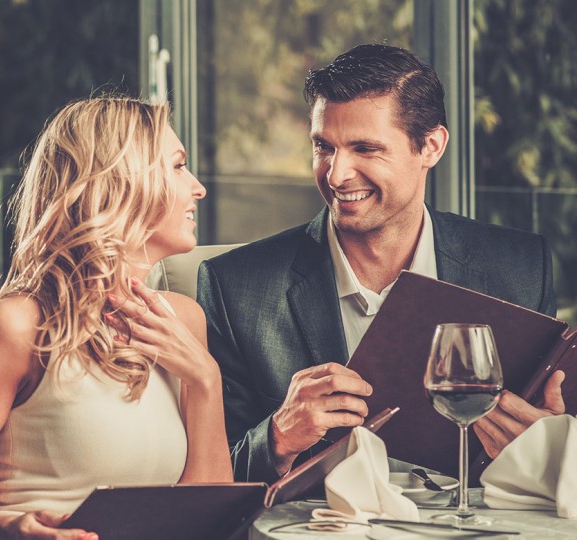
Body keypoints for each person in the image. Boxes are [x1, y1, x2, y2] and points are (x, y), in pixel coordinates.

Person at [197, 43, 565, 483]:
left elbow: (547, 447)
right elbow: (210, 484)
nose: (335, 175)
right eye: (323, 147)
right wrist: (277, 437)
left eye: (365, 149)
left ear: (430, 146)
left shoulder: (523, 267)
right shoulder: (234, 286)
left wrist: (551, 444)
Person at [0, 97, 232, 539]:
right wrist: (11, 531)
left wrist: (204, 379)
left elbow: (206, 519)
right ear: (121, 183)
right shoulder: (17, 325)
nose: (198, 187)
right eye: (178, 167)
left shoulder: (182, 320)